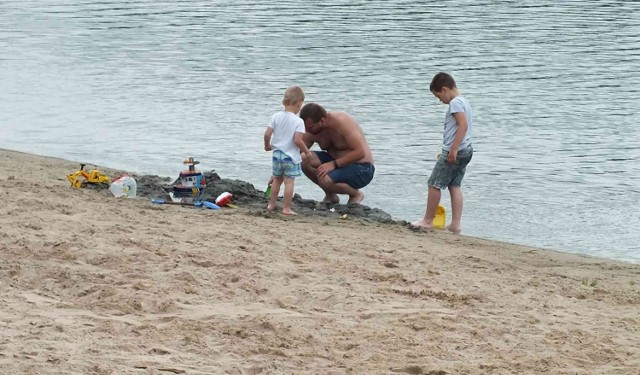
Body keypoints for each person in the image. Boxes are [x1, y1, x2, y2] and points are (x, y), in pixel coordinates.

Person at [412, 72, 474, 234]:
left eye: (438, 96)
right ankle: (455, 224)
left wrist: (452, 149)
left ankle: (427, 220)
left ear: (445, 89)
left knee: (434, 184)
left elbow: (463, 125)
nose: (439, 100)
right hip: (466, 150)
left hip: (456, 150)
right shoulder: (465, 101)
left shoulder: (455, 103)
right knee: (454, 185)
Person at [299, 103, 375, 204]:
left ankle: (355, 194)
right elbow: (295, 154)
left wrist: (333, 164)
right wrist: (278, 174)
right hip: (336, 163)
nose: (306, 131)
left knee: (325, 179)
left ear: (322, 120)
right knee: (304, 159)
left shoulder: (341, 121)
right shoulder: (310, 132)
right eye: (305, 127)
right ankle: (331, 195)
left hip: (362, 167)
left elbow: (360, 152)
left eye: (310, 127)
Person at [263, 86, 311, 215]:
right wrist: (307, 152)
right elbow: (297, 140)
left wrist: (267, 145)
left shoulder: (275, 116)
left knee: (277, 180)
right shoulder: (298, 121)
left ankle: (271, 205)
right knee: (289, 182)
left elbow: (267, 134)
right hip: (290, 156)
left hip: (276, 154)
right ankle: (286, 208)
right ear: (299, 103)